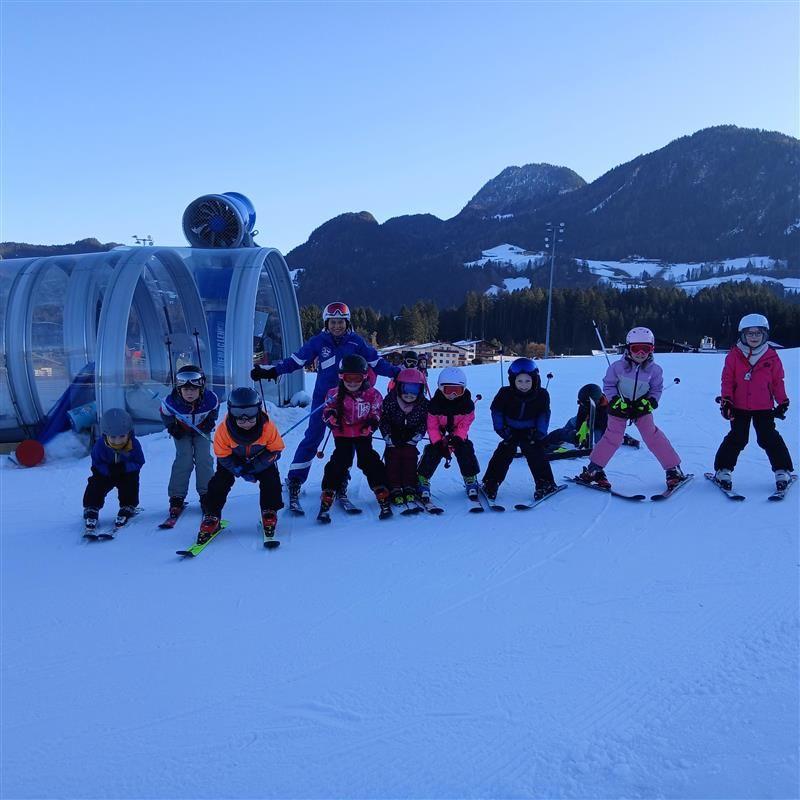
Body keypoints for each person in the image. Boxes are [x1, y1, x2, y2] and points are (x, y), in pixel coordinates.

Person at [250, 301, 398, 506]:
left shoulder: (356, 342)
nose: (337, 326)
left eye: (341, 322)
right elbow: (296, 361)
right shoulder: (318, 342)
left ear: (347, 323)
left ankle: (341, 480)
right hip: (324, 399)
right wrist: (272, 371)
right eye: (333, 322)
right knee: (313, 436)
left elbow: (376, 363)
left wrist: (398, 373)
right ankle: (295, 478)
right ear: (326, 323)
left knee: (348, 442)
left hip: (349, 399)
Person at [577, 326, 685, 490]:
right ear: (628, 349)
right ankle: (594, 469)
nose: (641, 353)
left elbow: (656, 389)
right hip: (619, 407)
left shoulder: (655, 371)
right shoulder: (617, 367)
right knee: (613, 437)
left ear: (651, 350)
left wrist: (650, 402)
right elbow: (608, 385)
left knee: (652, 435)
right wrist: (615, 401)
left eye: (646, 349)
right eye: (636, 348)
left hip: (641, 408)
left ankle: (673, 469)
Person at [713, 314, 793, 492]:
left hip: (764, 407)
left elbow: (777, 382)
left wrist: (782, 401)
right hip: (739, 406)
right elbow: (727, 380)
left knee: (769, 437)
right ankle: (723, 470)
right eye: (750, 333)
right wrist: (727, 400)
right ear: (743, 335)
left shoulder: (771, 356)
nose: (754, 337)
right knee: (738, 437)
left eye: (758, 333)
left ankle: (782, 470)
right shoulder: (734, 355)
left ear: (765, 335)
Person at [197, 387, 285, 545]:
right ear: (231, 412)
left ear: (258, 411)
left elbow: (275, 451)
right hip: (233, 460)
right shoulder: (223, 430)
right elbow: (222, 456)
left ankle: (269, 510)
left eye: (251, 414)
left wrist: (255, 467)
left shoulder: (267, 427)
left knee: (271, 479)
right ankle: (212, 515)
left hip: (261, 459)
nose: (246, 421)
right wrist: (238, 468)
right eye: (239, 415)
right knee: (219, 482)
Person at [319, 355, 392, 520]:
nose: (352, 383)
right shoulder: (334, 394)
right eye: (348, 378)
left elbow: (376, 412)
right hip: (342, 433)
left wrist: (372, 424)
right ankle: (330, 489)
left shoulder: (372, 394)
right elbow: (326, 409)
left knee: (368, 459)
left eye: (357, 378)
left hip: (362, 433)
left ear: (364, 377)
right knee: (341, 460)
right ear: (341, 377)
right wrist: (331, 417)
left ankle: (381, 487)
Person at [482, 358, 557, 501]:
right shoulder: (505, 393)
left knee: (535, 451)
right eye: (520, 381)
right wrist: (501, 429)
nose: (524, 385)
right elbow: (496, 411)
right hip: (510, 429)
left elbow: (544, 414)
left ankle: (545, 483)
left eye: (528, 381)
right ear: (513, 381)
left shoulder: (541, 395)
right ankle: (491, 482)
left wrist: (540, 432)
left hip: (531, 430)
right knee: (504, 451)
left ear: (534, 380)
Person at [159, 364, 219, 520]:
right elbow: (165, 413)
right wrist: (172, 427)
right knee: (184, 459)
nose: (189, 393)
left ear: (201, 388)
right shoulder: (171, 402)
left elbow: (214, 409)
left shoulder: (210, 399)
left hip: (201, 430)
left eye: (193, 389)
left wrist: (210, 422)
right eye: (185, 390)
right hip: (182, 432)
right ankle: (176, 497)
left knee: (204, 459)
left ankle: (207, 494)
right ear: (179, 389)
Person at [417, 367, 481, 500]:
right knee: (433, 451)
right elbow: (432, 426)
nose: (453, 394)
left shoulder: (467, 405)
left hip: (457, 434)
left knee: (465, 449)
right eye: (448, 390)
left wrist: (458, 437)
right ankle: (422, 478)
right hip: (440, 434)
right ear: (441, 388)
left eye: (458, 390)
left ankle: (470, 477)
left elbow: (465, 424)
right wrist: (438, 441)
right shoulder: (434, 405)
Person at [82, 408, 145, 530]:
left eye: (122, 436)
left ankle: (128, 505)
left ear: (129, 433)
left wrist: (125, 467)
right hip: (106, 473)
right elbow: (96, 462)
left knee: (130, 484)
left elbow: (139, 461)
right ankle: (91, 506)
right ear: (106, 434)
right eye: (113, 437)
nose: (117, 441)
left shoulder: (133, 444)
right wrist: (108, 470)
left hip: (126, 473)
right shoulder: (100, 446)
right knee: (96, 484)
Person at [379, 368, 429, 508]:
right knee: (392, 458)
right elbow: (384, 420)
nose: (409, 394)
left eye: (414, 389)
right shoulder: (390, 401)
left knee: (410, 459)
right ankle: (394, 486)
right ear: (399, 387)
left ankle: (409, 485)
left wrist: (418, 435)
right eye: (406, 388)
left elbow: (425, 422)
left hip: (410, 437)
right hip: (393, 435)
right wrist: (387, 435)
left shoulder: (423, 404)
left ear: (420, 390)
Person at [543, 384, 639, 453]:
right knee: (572, 422)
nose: (582, 404)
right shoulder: (585, 403)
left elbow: (603, 424)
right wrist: (579, 432)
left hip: (602, 425)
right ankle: (558, 438)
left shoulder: (608, 406)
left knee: (600, 440)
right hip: (588, 420)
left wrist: (588, 431)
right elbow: (580, 416)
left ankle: (623, 438)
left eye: (584, 403)